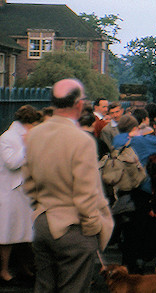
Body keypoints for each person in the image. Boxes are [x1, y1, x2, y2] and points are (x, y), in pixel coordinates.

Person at [23, 78, 114, 293]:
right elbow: (86, 192)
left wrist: (39, 209)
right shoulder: (81, 140)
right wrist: (93, 227)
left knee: (44, 286)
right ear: (79, 104)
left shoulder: (34, 135)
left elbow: (27, 182)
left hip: (43, 221)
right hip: (74, 226)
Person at [0, 104, 42, 283]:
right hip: (9, 193)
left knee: (24, 232)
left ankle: (24, 267)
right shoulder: (7, 138)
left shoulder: (22, 136)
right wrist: (27, 146)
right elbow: (12, 162)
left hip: (23, 192)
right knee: (7, 232)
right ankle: (3, 270)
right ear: (28, 123)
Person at [114, 112, 156, 272]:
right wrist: (144, 134)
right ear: (135, 128)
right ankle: (136, 266)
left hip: (121, 189)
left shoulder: (116, 140)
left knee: (126, 227)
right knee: (138, 228)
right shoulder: (140, 142)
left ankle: (126, 263)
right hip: (141, 190)